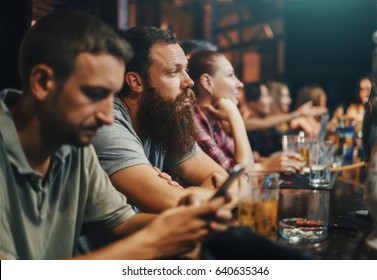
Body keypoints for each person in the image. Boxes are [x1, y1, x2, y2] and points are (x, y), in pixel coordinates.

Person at [0, 10, 231, 260]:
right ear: (43, 82)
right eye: (96, 94)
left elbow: (122, 222)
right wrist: (153, 242)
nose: (108, 117)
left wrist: (183, 222)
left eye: (112, 97)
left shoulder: (75, 146)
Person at [92, 27, 228, 214]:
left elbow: (224, 179)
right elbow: (172, 203)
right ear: (136, 82)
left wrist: (185, 194)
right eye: (173, 72)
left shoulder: (161, 117)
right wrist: (183, 194)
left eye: (186, 70)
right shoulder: (107, 124)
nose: (189, 81)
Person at [188, 50, 303, 174]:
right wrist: (235, 116)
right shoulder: (193, 122)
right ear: (207, 82)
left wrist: (266, 163)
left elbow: (242, 163)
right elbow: (236, 174)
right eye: (230, 75)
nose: (240, 84)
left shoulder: (214, 121)